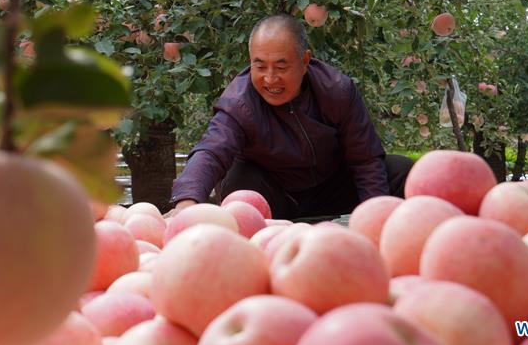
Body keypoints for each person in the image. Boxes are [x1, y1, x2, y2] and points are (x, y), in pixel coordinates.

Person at [168, 14, 414, 220]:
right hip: (276, 198)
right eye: (260, 66)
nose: (270, 78)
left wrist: (376, 217)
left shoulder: (337, 91)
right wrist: (186, 202)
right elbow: (211, 150)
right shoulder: (239, 103)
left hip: (333, 189)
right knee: (240, 183)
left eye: (281, 67)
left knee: (400, 170)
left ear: (305, 60)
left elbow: (365, 160)